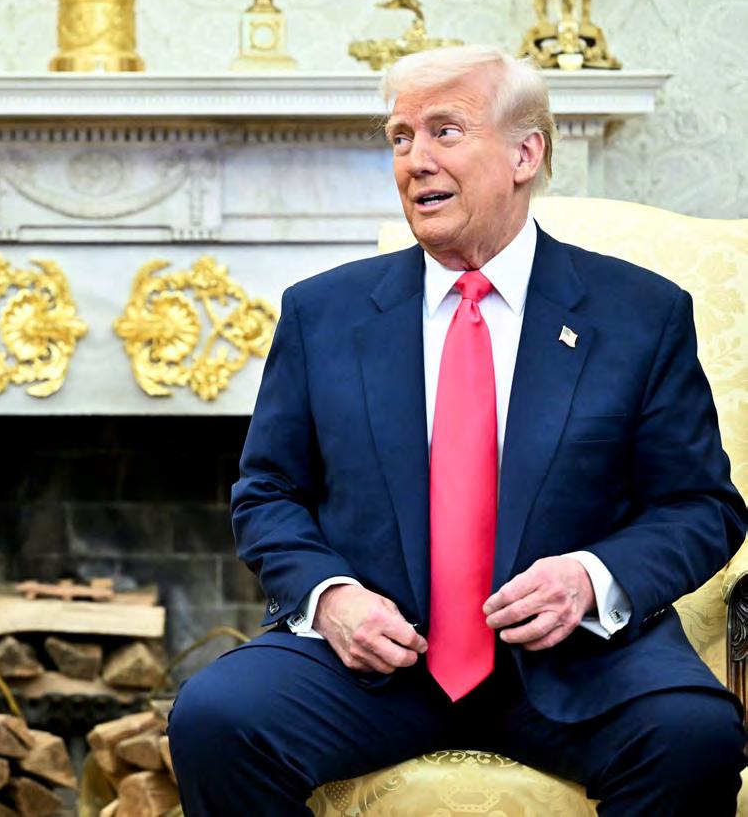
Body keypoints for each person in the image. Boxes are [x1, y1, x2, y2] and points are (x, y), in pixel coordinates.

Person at [168, 45, 748, 816]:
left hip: (578, 660)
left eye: (444, 131)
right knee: (214, 720)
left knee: (694, 737)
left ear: (523, 154)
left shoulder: (638, 314)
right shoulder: (322, 313)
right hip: (373, 662)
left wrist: (589, 578)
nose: (415, 160)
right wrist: (330, 597)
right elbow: (267, 492)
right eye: (399, 137)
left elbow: (700, 507)